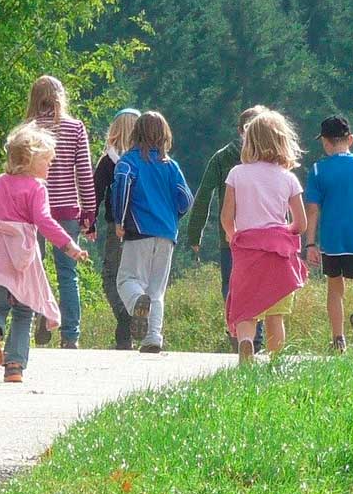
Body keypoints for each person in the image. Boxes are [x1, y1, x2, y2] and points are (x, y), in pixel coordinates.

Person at [0, 122, 89, 383]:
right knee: (23, 311)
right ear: (30, 159)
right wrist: (68, 245)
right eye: (48, 161)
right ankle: (14, 366)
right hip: (21, 258)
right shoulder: (35, 187)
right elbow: (44, 221)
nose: (51, 167)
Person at [221, 110, 309, 363]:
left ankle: (246, 343)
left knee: (246, 309)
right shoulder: (289, 178)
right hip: (278, 253)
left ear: (249, 141)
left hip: (248, 250)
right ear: (283, 141)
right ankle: (275, 359)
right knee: (275, 314)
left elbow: (227, 216)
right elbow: (300, 223)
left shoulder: (237, 174)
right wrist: (284, 232)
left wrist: (233, 236)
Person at [111, 111, 194, 353]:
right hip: (167, 233)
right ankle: (153, 337)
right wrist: (172, 216)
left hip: (139, 230)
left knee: (127, 280)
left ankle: (137, 301)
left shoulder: (129, 162)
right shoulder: (171, 166)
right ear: (164, 135)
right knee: (157, 289)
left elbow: (122, 187)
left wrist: (119, 218)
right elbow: (186, 199)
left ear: (136, 133)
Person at [187, 105, 269, 351]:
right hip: (264, 237)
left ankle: (238, 332)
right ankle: (256, 339)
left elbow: (203, 195)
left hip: (231, 236)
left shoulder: (223, 156)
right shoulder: (272, 158)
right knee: (261, 286)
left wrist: (195, 232)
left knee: (231, 285)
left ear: (239, 129)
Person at [25, 76, 96, 349]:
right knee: (68, 273)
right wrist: (89, 213)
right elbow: (84, 173)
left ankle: (40, 318)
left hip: (32, 209)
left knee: (35, 269)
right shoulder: (75, 127)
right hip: (66, 208)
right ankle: (70, 335)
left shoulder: (28, 130)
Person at [303, 115, 353, 353]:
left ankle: (338, 340)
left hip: (332, 240)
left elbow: (313, 209)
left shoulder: (318, 170)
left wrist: (310, 244)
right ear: (351, 139)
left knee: (335, 289)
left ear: (325, 142)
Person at [92, 108, 141, 350]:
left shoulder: (108, 162)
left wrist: (89, 223)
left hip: (116, 227)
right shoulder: (146, 160)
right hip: (145, 228)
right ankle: (128, 333)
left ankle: (125, 315)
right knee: (135, 278)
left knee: (110, 277)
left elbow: (95, 196)